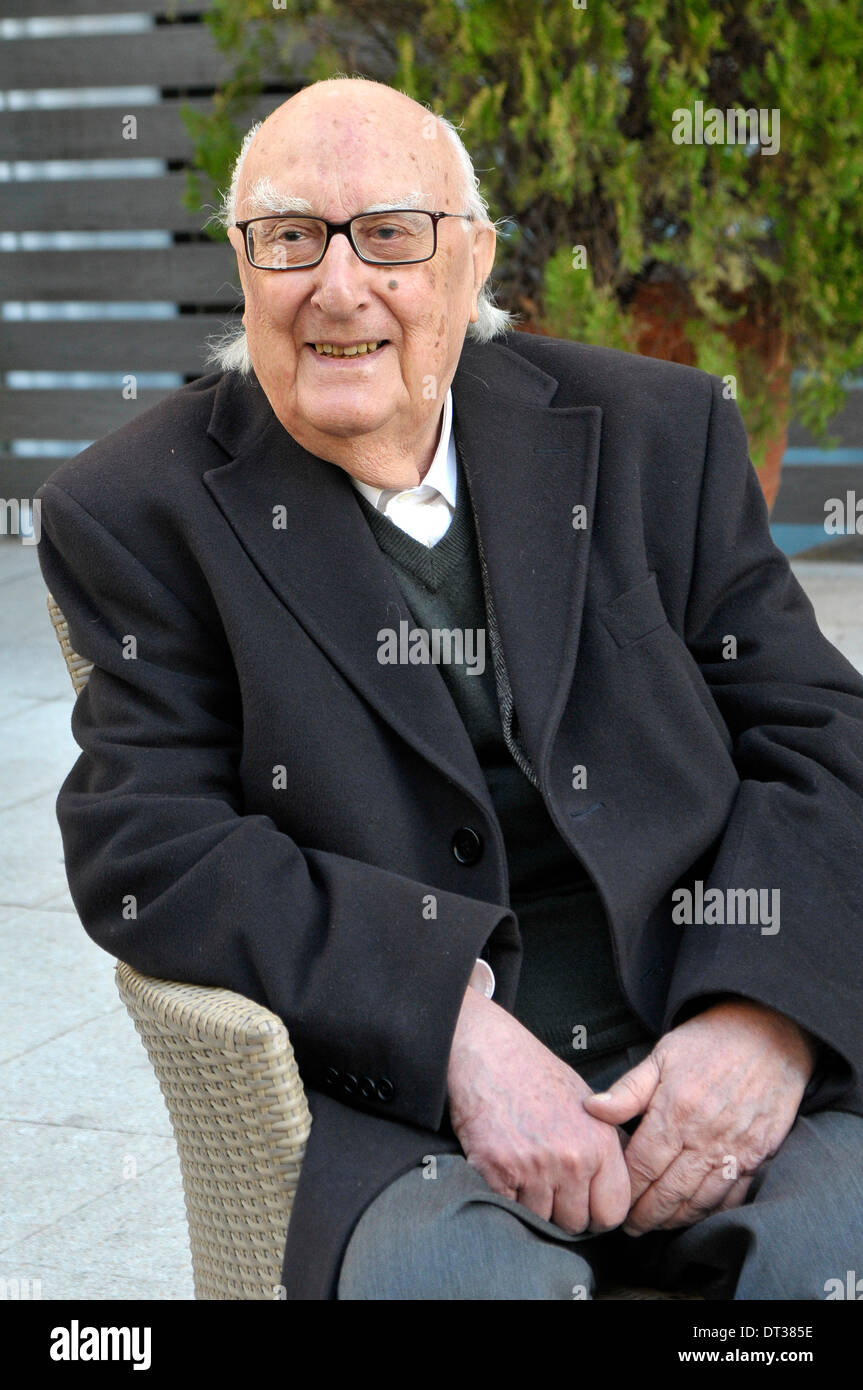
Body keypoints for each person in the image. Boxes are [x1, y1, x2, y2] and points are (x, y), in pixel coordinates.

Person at [36, 77, 863, 1301]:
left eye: (388, 234)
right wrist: (451, 1029)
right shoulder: (134, 510)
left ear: (470, 260)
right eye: (287, 237)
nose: (337, 284)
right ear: (242, 266)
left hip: (704, 1017)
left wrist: (762, 1018)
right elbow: (148, 843)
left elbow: (821, 735)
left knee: (822, 1260)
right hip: (405, 1107)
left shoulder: (654, 432)